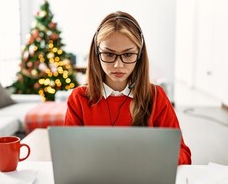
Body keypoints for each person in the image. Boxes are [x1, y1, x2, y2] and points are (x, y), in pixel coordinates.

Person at [64, 11, 191, 165]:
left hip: (143, 182)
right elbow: (69, 154)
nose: (118, 65)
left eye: (128, 54)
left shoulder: (156, 96)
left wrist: (155, 159)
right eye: (109, 54)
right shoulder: (79, 98)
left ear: (139, 55)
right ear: (97, 53)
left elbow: (183, 153)